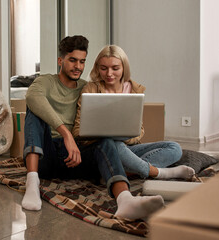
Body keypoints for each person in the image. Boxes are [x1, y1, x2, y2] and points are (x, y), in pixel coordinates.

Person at [22, 36, 164, 220]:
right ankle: (32, 183)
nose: (78, 66)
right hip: (46, 155)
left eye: (82, 62)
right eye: (72, 60)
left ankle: (125, 201)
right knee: (34, 111)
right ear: (60, 60)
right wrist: (66, 134)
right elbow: (33, 97)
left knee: (105, 140)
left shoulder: (88, 88)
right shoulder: (45, 81)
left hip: (75, 157)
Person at [72, 45, 195, 180]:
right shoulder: (90, 89)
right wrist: (107, 136)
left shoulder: (134, 89)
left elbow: (139, 130)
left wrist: (123, 136)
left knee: (174, 147)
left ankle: (128, 170)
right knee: (113, 144)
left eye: (115, 68)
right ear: (97, 68)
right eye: (103, 68)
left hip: (129, 148)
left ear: (124, 67)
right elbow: (77, 131)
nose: (109, 74)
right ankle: (157, 172)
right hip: (104, 149)